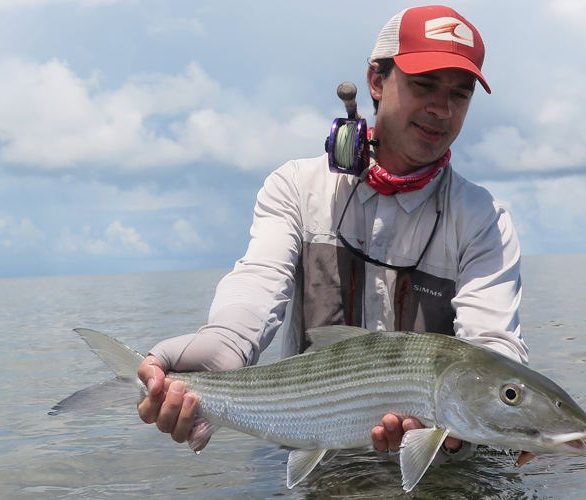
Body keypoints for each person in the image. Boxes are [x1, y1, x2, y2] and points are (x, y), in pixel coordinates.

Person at [137, 5, 528, 459]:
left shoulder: (483, 220)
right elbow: (257, 282)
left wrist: (513, 416)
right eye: (424, 85)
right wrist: (223, 346)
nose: (442, 110)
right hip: (311, 447)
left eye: (460, 95)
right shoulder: (297, 187)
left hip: (442, 456)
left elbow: (491, 347)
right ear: (377, 81)